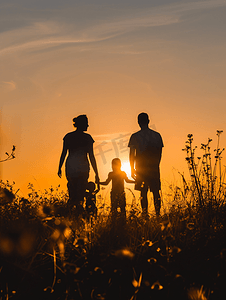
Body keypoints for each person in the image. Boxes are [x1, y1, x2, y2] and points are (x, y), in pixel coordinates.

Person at [58, 115, 100, 216]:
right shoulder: (87, 138)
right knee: (80, 193)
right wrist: (96, 173)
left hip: (71, 168)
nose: (88, 125)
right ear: (82, 124)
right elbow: (91, 156)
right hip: (83, 169)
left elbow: (64, 153)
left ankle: (70, 215)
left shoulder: (68, 137)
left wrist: (59, 167)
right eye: (86, 123)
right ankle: (78, 216)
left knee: (73, 193)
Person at [128, 112, 164, 217]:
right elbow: (159, 154)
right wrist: (156, 165)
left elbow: (131, 155)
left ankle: (145, 214)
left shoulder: (135, 136)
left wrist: (132, 169)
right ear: (148, 121)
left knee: (143, 193)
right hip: (153, 168)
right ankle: (157, 214)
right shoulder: (156, 135)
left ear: (138, 122)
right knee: (156, 192)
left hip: (141, 168)